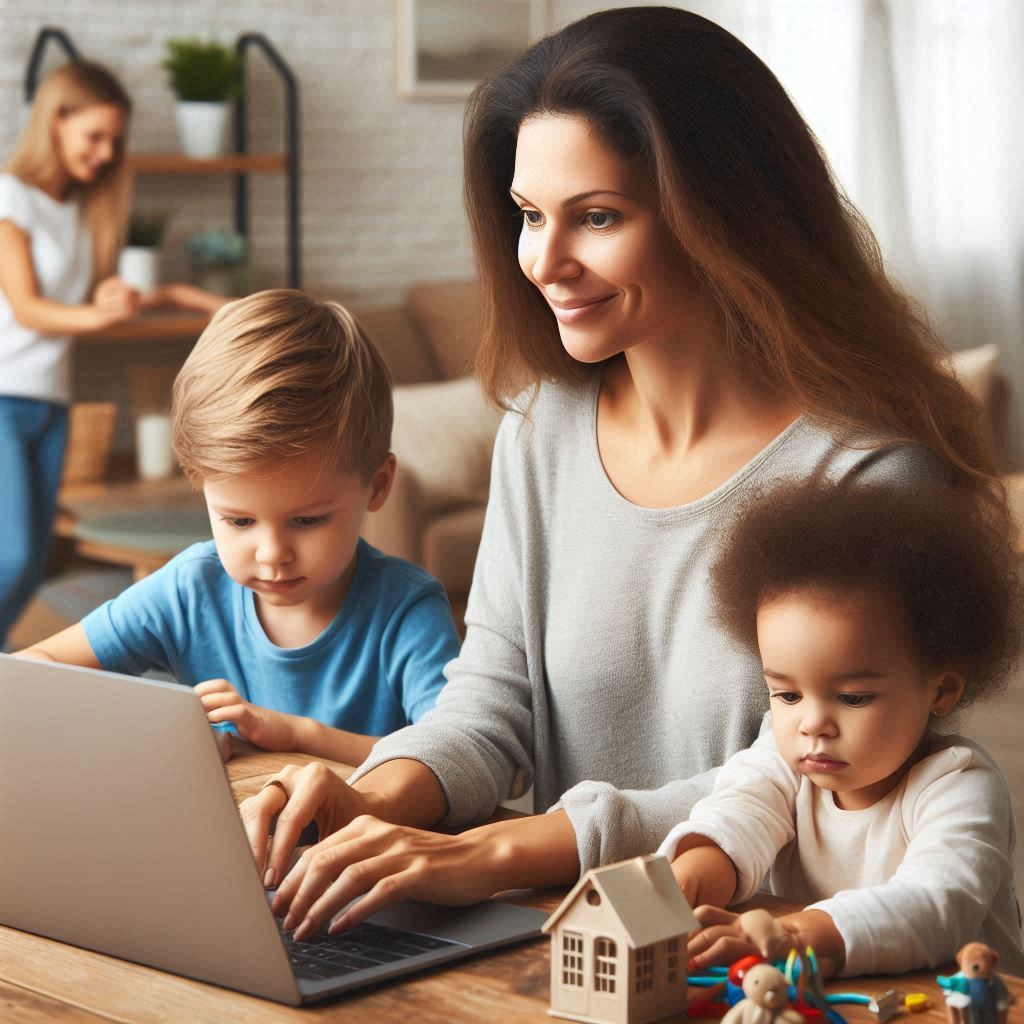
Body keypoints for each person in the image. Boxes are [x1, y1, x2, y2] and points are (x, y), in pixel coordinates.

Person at [228, 7, 1010, 943]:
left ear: (721, 214)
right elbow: (492, 697)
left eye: (596, 217)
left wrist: (496, 854)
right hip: (581, 947)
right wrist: (377, 797)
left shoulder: (870, 476)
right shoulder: (540, 431)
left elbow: (772, 786)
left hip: (786, 972)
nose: (544, 263)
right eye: (527, 216)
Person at [17, 291, 462, 765]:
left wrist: (298, 734)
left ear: (377, 486)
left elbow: (450, 758)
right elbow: (29, 675)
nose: (272, 553)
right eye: (239, 521)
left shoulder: (406, 610)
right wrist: (148, 729)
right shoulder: (190, 588)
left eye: (307, 520)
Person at [658, 477, 1024, 979]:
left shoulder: (959, 788)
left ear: (941, 690)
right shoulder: (785, 763)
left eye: (852, 698)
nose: (813, 725)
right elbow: (739, 809)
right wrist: (702, 864)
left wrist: (798, 935)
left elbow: (937, 904)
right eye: (787, 694)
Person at [0, 60, 225, 648]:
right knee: (14, 556)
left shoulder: (77, 212)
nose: (105, 153)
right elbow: (27, 308)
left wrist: (174, 295)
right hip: (3, 396)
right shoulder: (9, 196)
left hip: (50, 400)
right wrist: (96, 311)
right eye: (94, 136)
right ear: (56, 120)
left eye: (113, 141)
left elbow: (87, 303)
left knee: (31, 562)